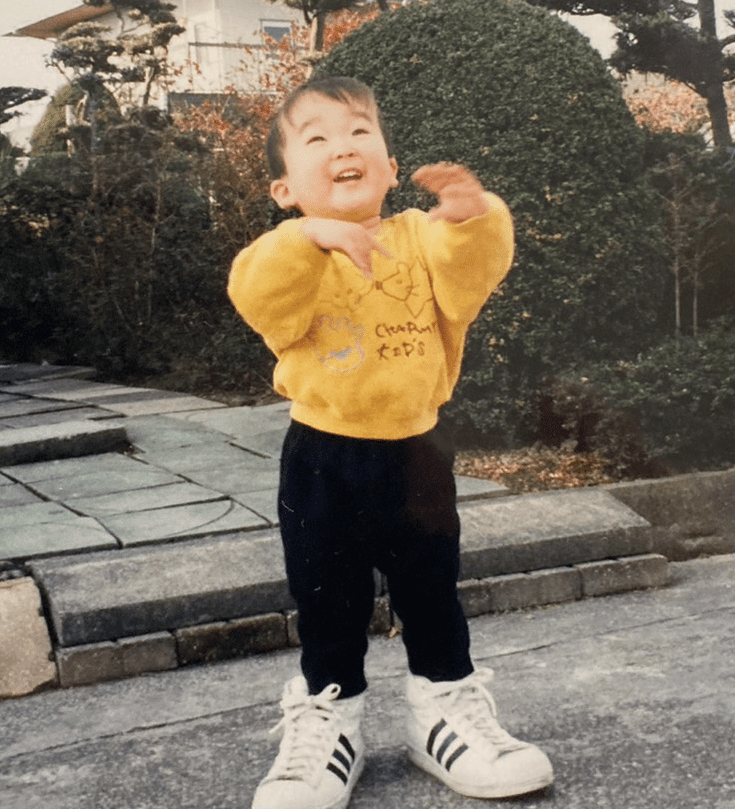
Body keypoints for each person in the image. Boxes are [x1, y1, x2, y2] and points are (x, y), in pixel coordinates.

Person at [227, 75, 553, 809]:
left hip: (417, 454)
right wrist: (309, 236)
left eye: (358, 133)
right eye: (317, 139)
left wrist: (471, 218)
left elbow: (470, 276)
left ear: (390, 165)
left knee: (432, 591)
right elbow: (257, 294)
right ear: (284, 189)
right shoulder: (289, 253)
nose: (342, 147)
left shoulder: (418, 237)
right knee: (327, 599)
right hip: (322, 455)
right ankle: (328, 720)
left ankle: (443, 710)